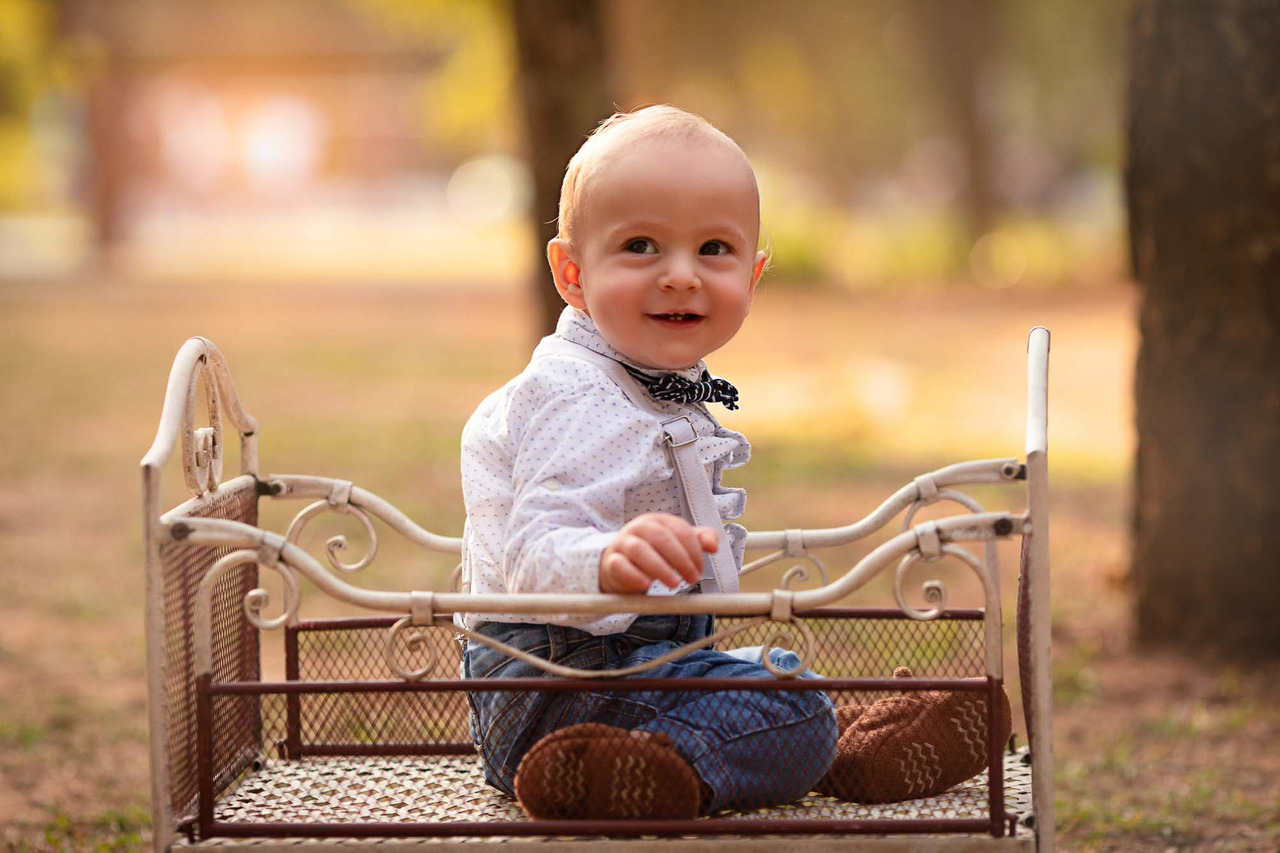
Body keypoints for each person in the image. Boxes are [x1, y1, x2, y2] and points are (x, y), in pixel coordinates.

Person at [457, 105, 1009, 821]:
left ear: (753, 273)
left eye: (713, 248)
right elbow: (534, 553)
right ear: (570, 272)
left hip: (626, 679)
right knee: (794, 705)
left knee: (775, 678)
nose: (681, 275)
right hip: (564, 697)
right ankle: (644, 770)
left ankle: (819, 747)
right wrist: (605, 559)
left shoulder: (641, 380)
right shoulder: (576, 394)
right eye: (642, 245)